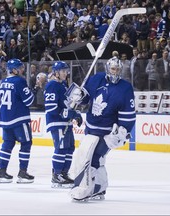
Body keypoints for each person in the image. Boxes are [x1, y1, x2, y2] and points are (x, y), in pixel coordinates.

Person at [68, 56, 136, 201]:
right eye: (113, 69)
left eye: (118, 69)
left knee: (93, 158)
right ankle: (99, 187)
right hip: (91, 127)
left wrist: (122, 133)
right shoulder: (96, 79)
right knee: (92, 157)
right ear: (107, 68)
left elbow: (128, 115)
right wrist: (79, 96)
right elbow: (85, 99)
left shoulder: (125, 88)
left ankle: (83, 188)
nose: (115, 72)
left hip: (107, 132)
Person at [44, 61, 82, 188]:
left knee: (69, 148)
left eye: (66, 71)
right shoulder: (52, 85)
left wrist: (76, 114)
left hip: (66, 123)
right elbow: (50, 108)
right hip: (57, 122)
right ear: (56, 72)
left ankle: (64, 174)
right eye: (63, 71)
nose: (66, 73)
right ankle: (57, 175)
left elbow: (69, 104)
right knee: (61, 148)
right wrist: (67, 114)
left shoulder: (64, 85)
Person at [0, 59, 35, 184]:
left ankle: (1, 172)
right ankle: (22, 172)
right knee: (26, 143)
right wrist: (31, 90)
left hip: (5, 118)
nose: (22, 69)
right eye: (20, 67)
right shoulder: (19, 81)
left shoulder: (3, 82)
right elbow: (29, 101)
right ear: (14, 70)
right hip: (19, 118)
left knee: (7, 144)